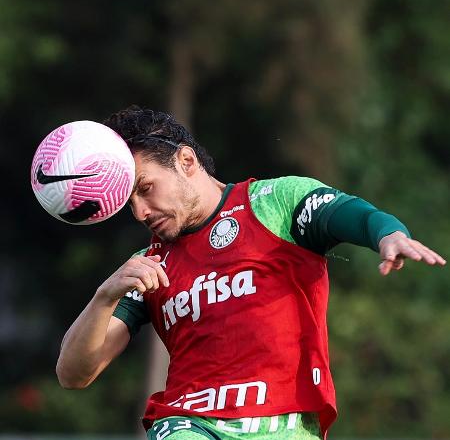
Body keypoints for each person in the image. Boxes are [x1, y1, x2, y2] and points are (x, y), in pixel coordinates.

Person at [56, 105, 446, 440]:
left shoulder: (274, 202)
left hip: (287, 422)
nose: (140, 212)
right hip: (187, 421)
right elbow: (74, 374)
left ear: (186, 162)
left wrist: (388, 234)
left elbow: (348, 213)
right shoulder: (147, 268)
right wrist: (104, 296)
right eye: (129, 202)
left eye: (146, 188)